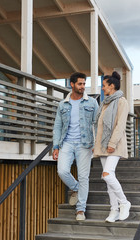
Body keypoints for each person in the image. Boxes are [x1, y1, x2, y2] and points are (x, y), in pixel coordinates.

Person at [53, 72, 99, 221]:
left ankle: (80, 210)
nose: (82, 87)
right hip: (66, 142)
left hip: (85, 144)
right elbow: (58, 126)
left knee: (83, 176)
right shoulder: (63, 104)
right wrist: (55, 146)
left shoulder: (92, 103)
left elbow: (97, 124)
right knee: (62, 171)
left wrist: (96, 143)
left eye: (84, 84)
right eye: (80, 84)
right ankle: (76, 188)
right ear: (72, 84)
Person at [93, 71, 131, 223]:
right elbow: (99, 126)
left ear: (112, 86)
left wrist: (112, 143)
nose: (102, 88)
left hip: (114, 145)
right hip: (103, 145)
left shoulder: (122, 102)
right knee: (108, 179)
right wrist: (96, 143)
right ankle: (114, 209)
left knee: (107, 174)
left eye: (104, 86)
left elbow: (120, 125)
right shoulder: (105, 103)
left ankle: (124, 202)